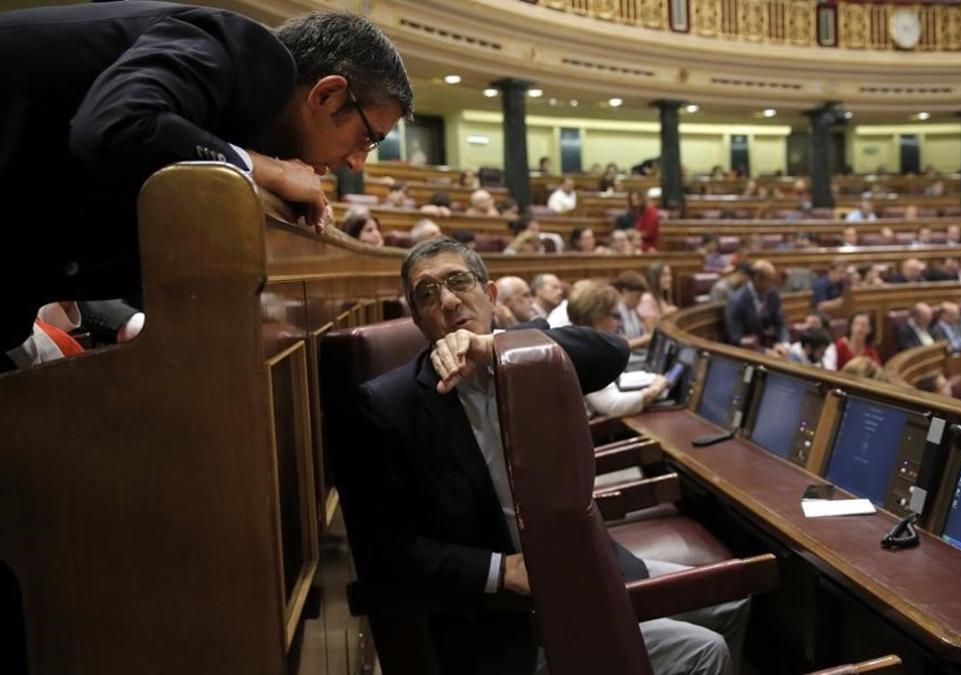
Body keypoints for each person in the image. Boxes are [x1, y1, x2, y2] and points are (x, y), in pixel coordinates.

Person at [352, 236, 744, 674]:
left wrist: (495, 350)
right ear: (417, 318)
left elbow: (611, 352)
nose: (446, 300)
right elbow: (389, 552)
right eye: (426, 293)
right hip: (509, 615)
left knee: (730, 599)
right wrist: (503, 570)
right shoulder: (389, 404)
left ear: (491, 294)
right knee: (705, 650)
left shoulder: (530, 353)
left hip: (586, 565)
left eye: (458, 281)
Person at [0, 3, 412, 362]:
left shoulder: (248, 119)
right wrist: (263, 168)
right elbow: (118, 124)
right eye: (370, 138)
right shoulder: (245, 51)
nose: (357, 164)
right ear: (327, 96)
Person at [567, 282, 670, 417]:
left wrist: (654, 378)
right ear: (596, 316)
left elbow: (618, 379)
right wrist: (654, 389)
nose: (620, 323)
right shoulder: (587, 352)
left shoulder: (581, 340)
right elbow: (614, 406)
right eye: (616, 316)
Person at [724, 261, 789, 358]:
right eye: (769, 281)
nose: (772, 285)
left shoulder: (772, 294)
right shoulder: (737, 301)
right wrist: (764, 352)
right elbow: (736, 338)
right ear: (756, 279)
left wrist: (783, 343)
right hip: (746, 355)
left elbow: (780, 322)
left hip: (770, 347)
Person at [613, 272, 653, 351]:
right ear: (625, 292)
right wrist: (646, 339)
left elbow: (641, 334)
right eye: (638, 296)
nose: (640, 301)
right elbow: (618, 346)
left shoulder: (633, 312)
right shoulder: (614, 313)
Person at [638, 262, 678, 334]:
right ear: (654, 278)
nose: (670, 279)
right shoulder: (647, 299)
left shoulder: (659, 297)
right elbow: (651, 332)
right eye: (665, 275)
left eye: (669, 275)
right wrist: (665, 315)